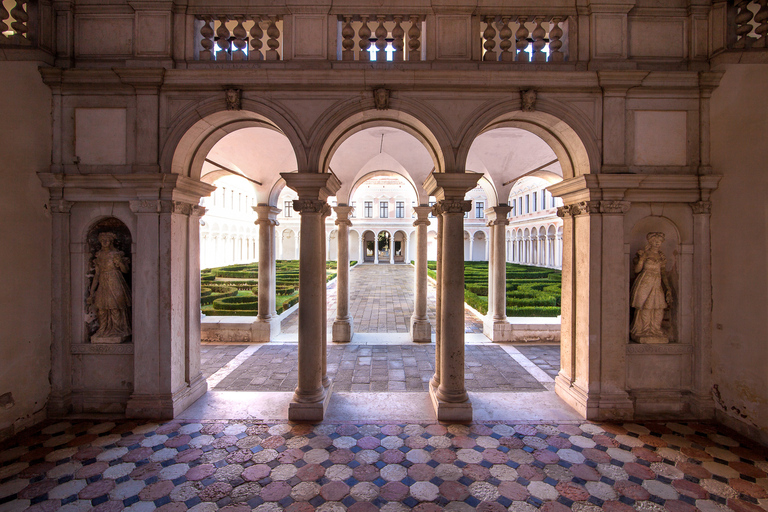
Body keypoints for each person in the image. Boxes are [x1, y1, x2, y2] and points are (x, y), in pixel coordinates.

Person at [88, 232, 131, 342]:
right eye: (102, 240)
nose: (105, 242)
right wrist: (92, 291)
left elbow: (125, 270)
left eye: (107, 240)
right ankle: (103, 330)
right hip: (103, 282)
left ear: (111, 241)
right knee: (102, 307)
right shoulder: (99, 255)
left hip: (115, 281)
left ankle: (117, 329)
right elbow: (96, 275)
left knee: (115, 307)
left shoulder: (116, 254)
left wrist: (120, 262)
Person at [630, 232, 673, 342]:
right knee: (646, 306)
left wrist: (668, 288)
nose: (657, 243)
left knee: (658, 307)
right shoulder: (644, 254)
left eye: (659, 241)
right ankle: (645, 330)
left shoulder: (661, 256)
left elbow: (663, 273)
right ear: (650, 241)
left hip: (656, 282)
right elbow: (637, 270)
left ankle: (655, 329)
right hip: (645, 282)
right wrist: (641, 259)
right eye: (655, 241)